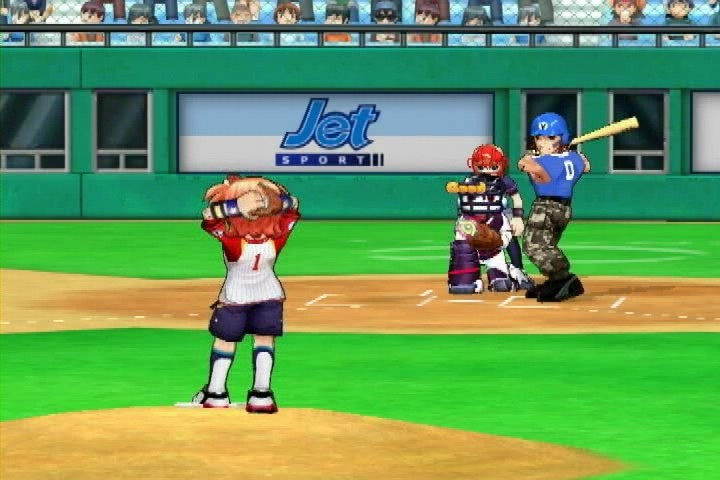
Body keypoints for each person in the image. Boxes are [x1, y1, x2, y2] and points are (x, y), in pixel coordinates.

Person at [191, 175, 300, 413]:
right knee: (264, 340)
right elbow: (293, 207)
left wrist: (236, 206)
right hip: (270, 295)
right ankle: (262, 395)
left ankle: (216, 393)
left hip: (235, 298)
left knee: (225, 341)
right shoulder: (279, 235)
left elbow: (209, 218)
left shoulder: (233, 241)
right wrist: (273, 201)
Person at [517, 112, 590, 302]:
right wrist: (569, 153)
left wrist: (528, 161)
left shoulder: (543, 161)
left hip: (545, 207)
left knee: (533, 246)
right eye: (539, 138)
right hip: (563, 209)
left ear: (562, 138)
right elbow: (586, 166)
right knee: (548, 244)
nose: (543, 143)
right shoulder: (575, 158)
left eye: (550, 138)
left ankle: (564, 279)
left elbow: (539, 174)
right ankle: (556, 280)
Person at [447, 145, 523, 294]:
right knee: (463, 247)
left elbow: (516, 198)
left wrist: (517, 217)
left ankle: (512, 270)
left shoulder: (503, 181)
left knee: (501, 282)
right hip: (472, 221)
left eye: (492, 167)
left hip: (496, 220)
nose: (487, 171)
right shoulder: (469, 181)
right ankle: (465, 278)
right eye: (482, 167)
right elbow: (461, 205)